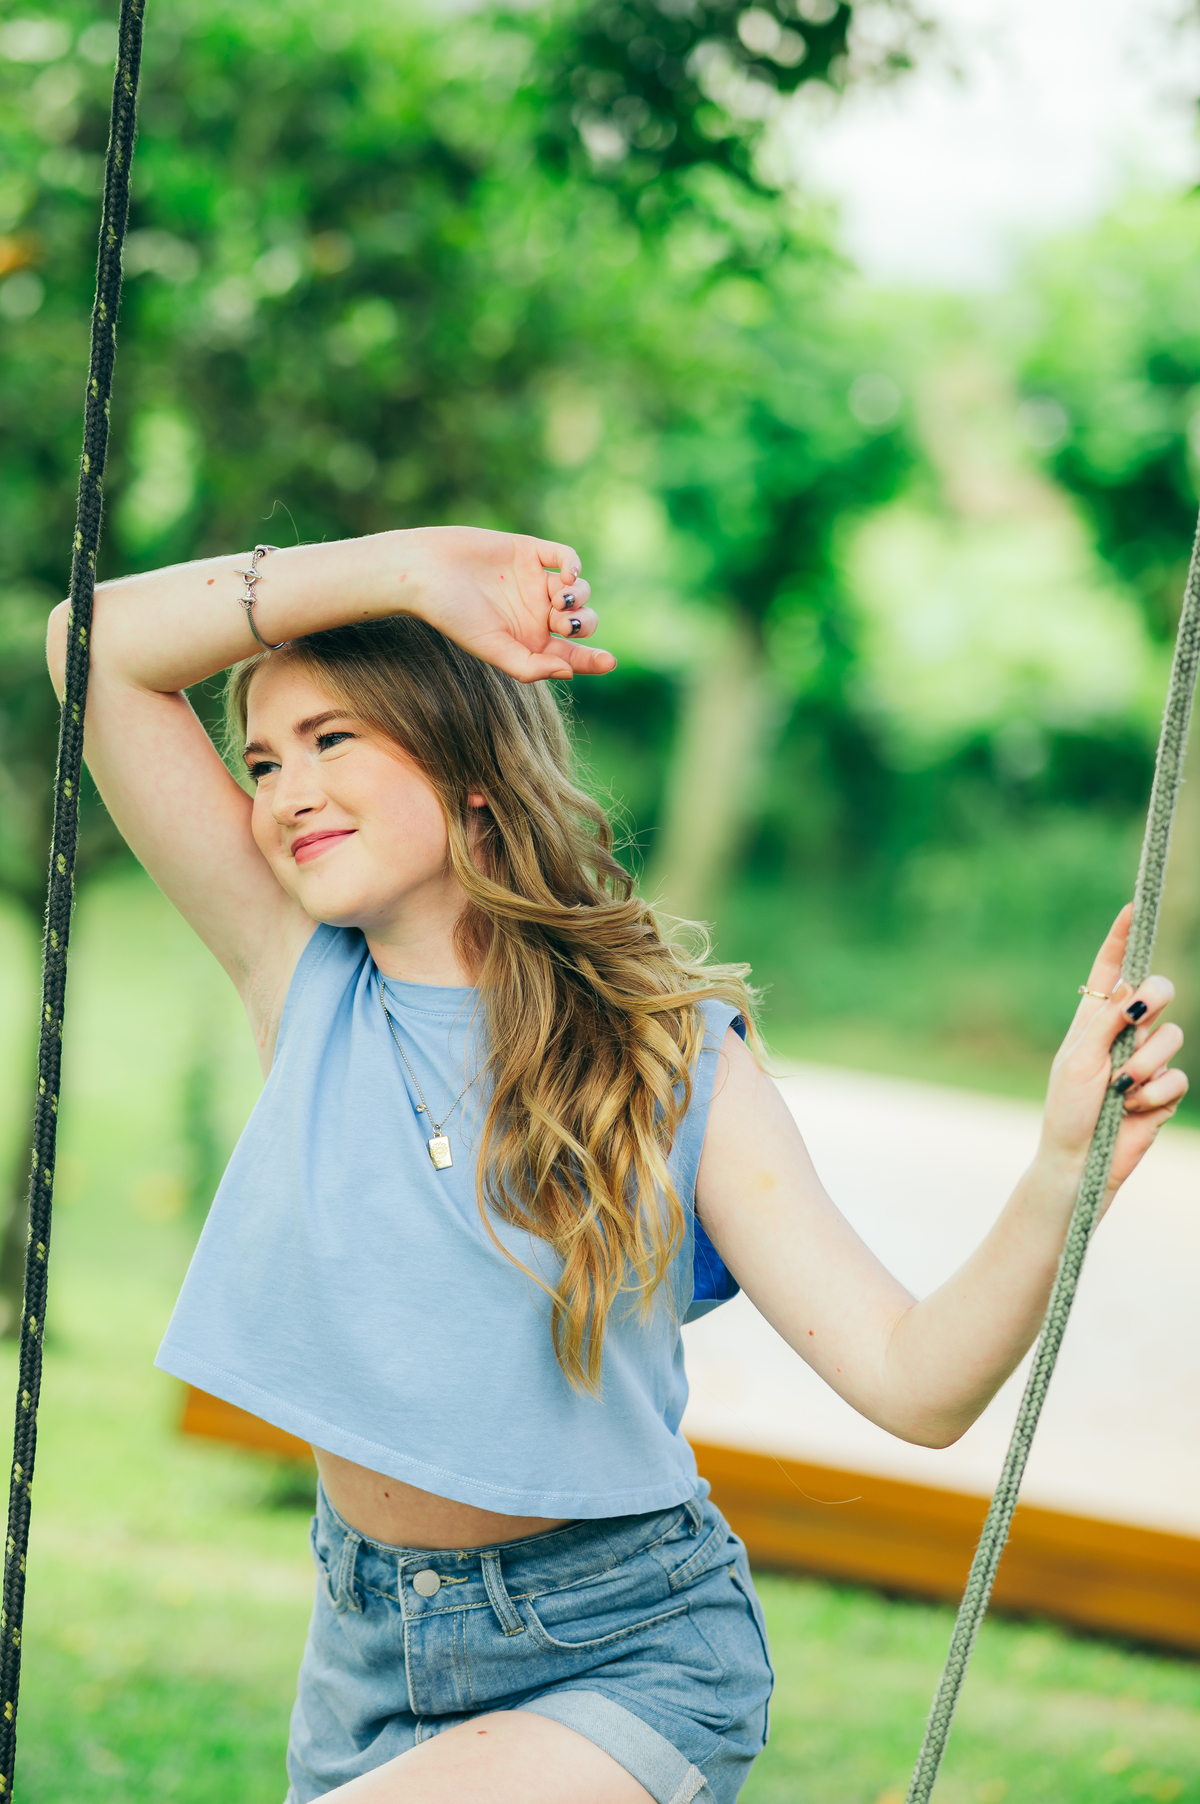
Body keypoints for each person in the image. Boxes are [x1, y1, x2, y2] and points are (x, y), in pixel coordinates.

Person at [48, 526, 1186, 1804]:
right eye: (260, 758)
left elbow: (912, 1381)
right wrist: (408, 573)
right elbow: (91, 649)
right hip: (368, 1659)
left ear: (471, 769)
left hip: (625, 1649)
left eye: (333, 741)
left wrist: (1057, 1172)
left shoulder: (669, 1056)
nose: (281, 791)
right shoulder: (302, 981)